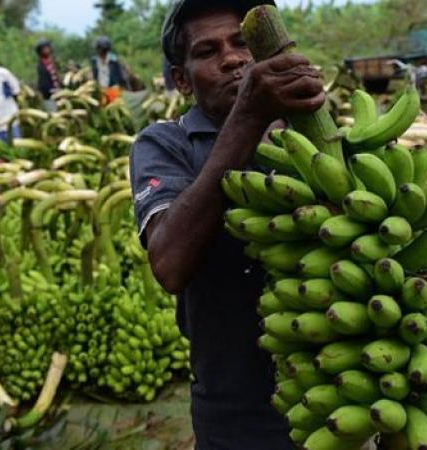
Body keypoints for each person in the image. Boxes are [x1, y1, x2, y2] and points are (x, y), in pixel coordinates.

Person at [129, 0, 324, 448]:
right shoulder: (166, 144)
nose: (233, 59)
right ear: (182, 80)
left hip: (339, 386)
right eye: (207, 51)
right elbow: (169, 264)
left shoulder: (310, 137)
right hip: (235, 410)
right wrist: (248, 119)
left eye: (242, 43)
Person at [91, 36, 130, 103]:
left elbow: (121, 78)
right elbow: (95, 76)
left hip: (113, 91)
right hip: (100, 91)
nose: (97, 50)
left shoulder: (114, 61)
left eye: (98, 48)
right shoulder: (95, 61)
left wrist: (123, 88)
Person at [36, 39, 61, 112]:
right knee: (54, 113)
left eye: (47, 47)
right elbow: (43, 83)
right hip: (49, 96)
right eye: (44, 48)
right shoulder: (41, 65)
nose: (46, 49)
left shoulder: (53, 61)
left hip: (59, 93)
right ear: (40, 51)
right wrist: (52, 90)